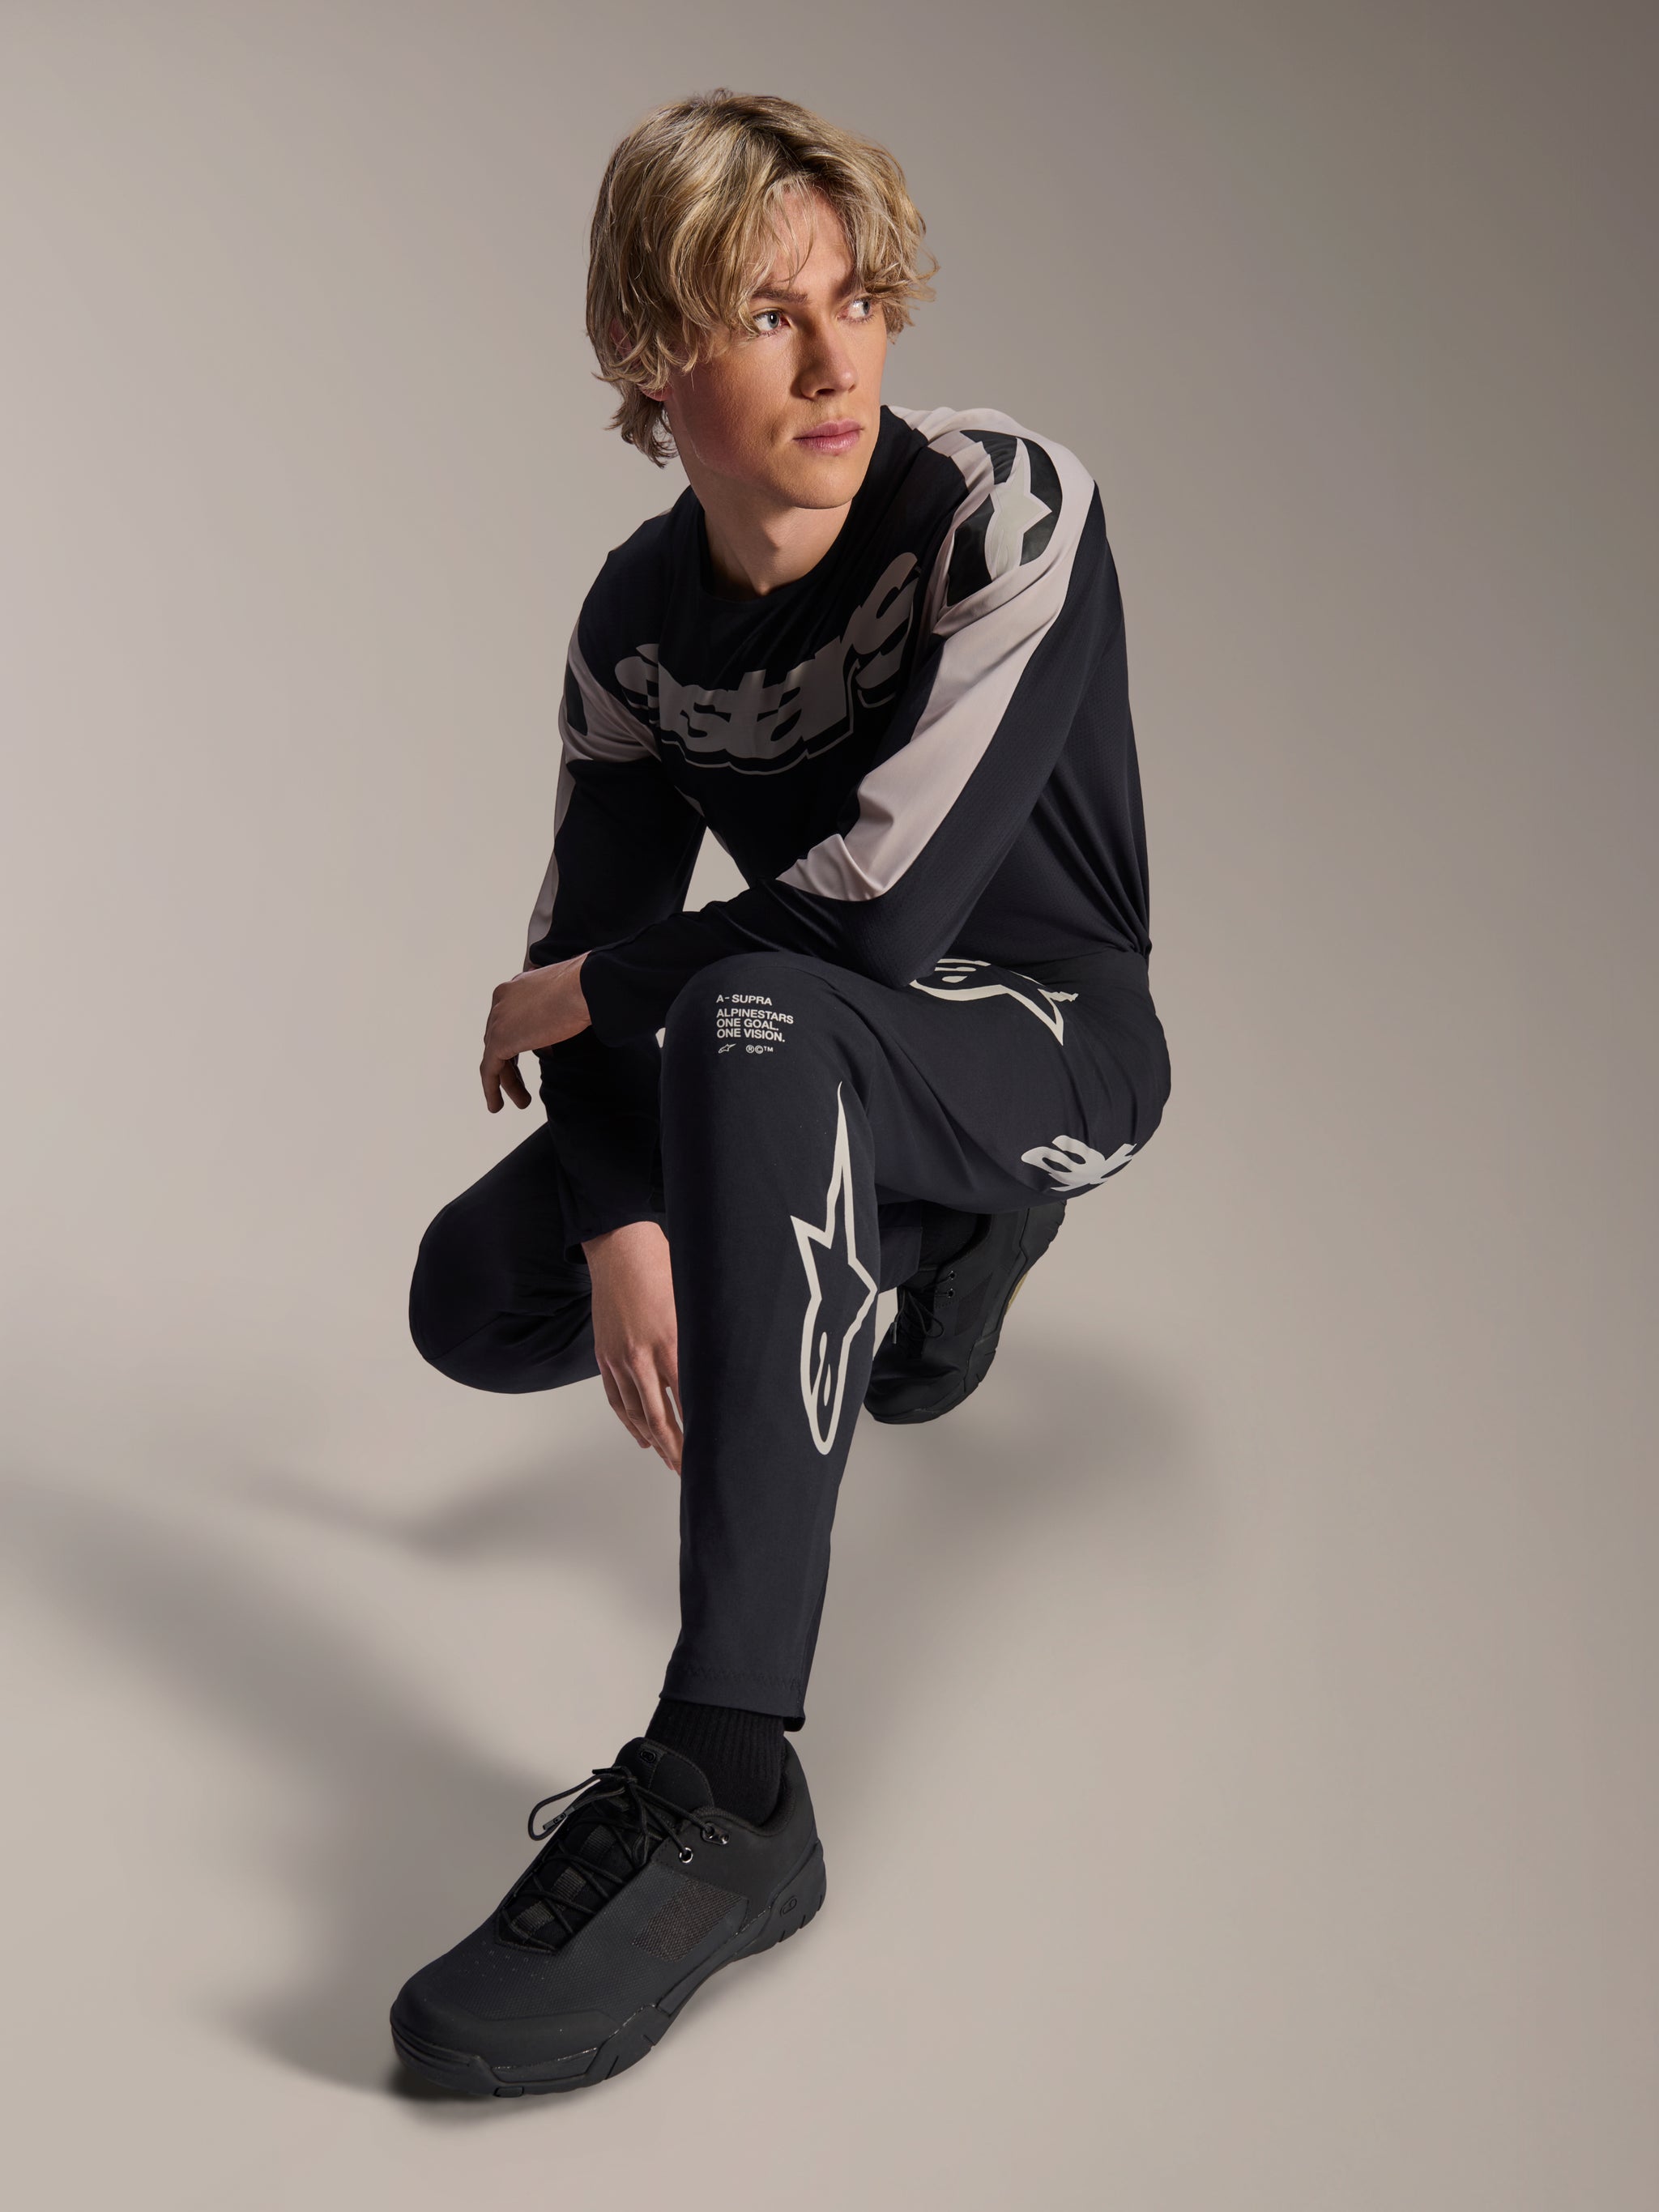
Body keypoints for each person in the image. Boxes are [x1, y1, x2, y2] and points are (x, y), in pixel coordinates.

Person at [390, 90, 1171, 2098]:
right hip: (814, 1043)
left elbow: (883, 916)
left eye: (859, 299)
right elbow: (599, 948)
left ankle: (731, 1779)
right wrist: (618, 1218)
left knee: (747, 1019)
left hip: (1048, 1038)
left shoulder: (1002, 506)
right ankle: (930, 1231)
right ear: (648, 353)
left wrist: (591, 991)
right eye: (765, 313)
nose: (838, 361)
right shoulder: (635, 629)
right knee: (478, 1295)